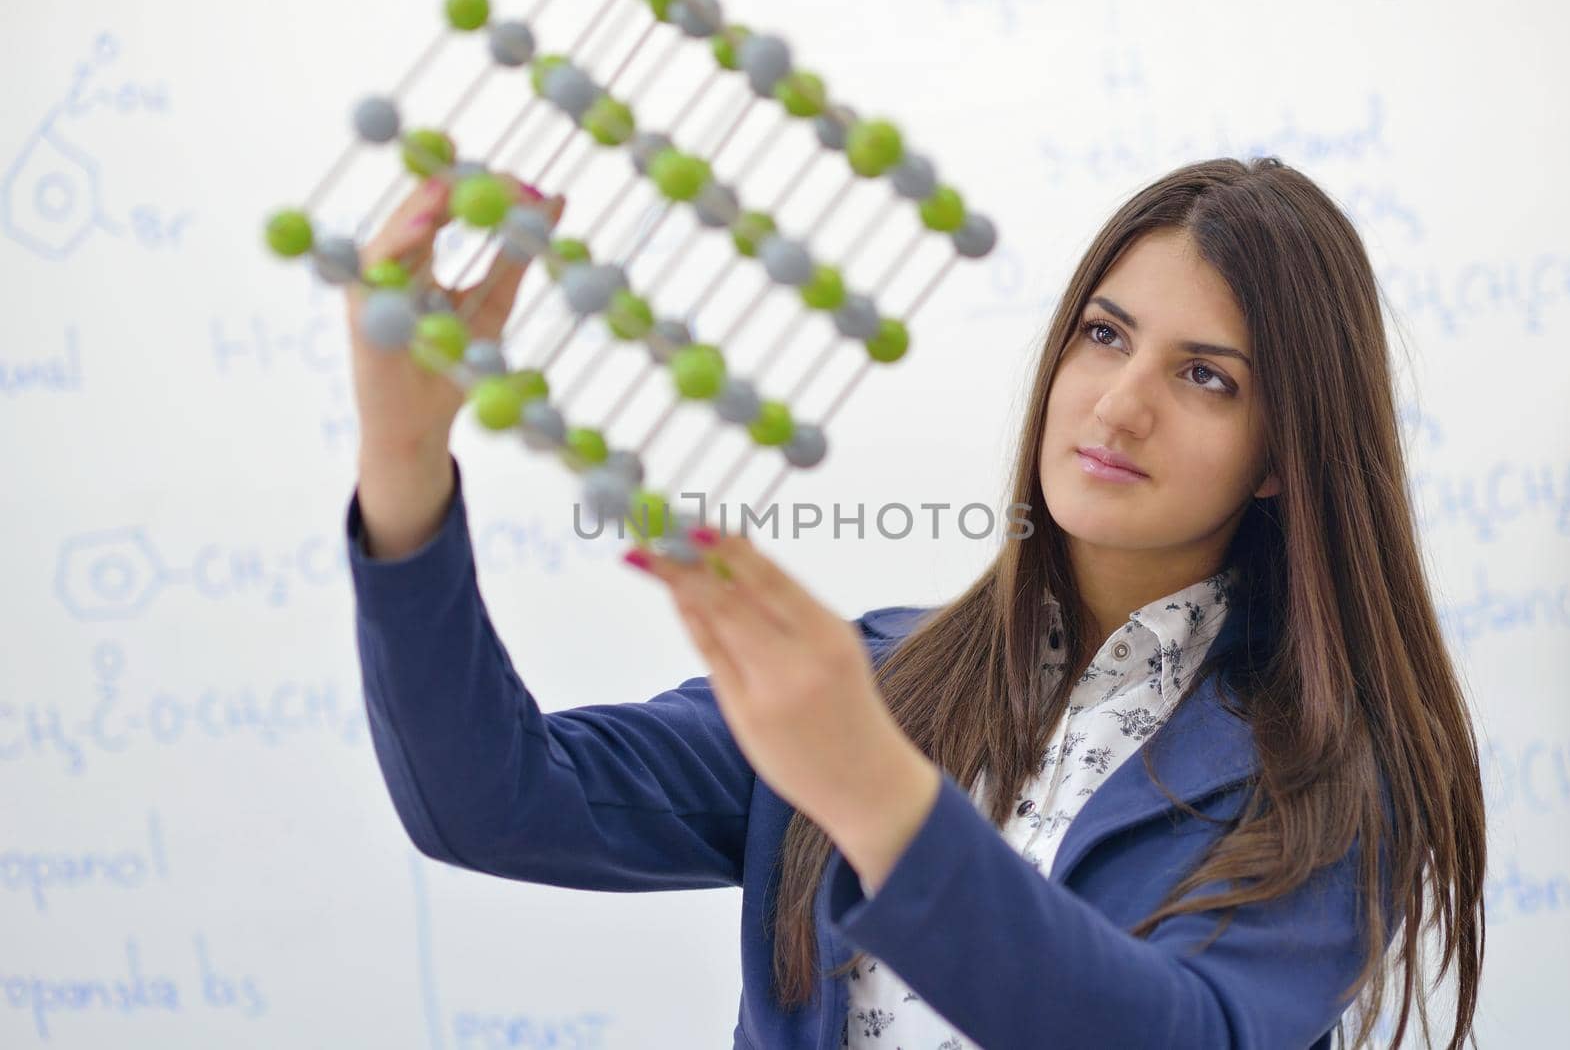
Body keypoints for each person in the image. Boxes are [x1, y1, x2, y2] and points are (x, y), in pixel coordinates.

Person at [342, 156, 1486, 1049]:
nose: (1119, 405)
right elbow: (489, 803)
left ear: (1284, 453)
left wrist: (873, 789)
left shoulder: (1328, 775)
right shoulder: (874, 681)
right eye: (1102, 335)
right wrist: (403, 460)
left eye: (1205, 376)